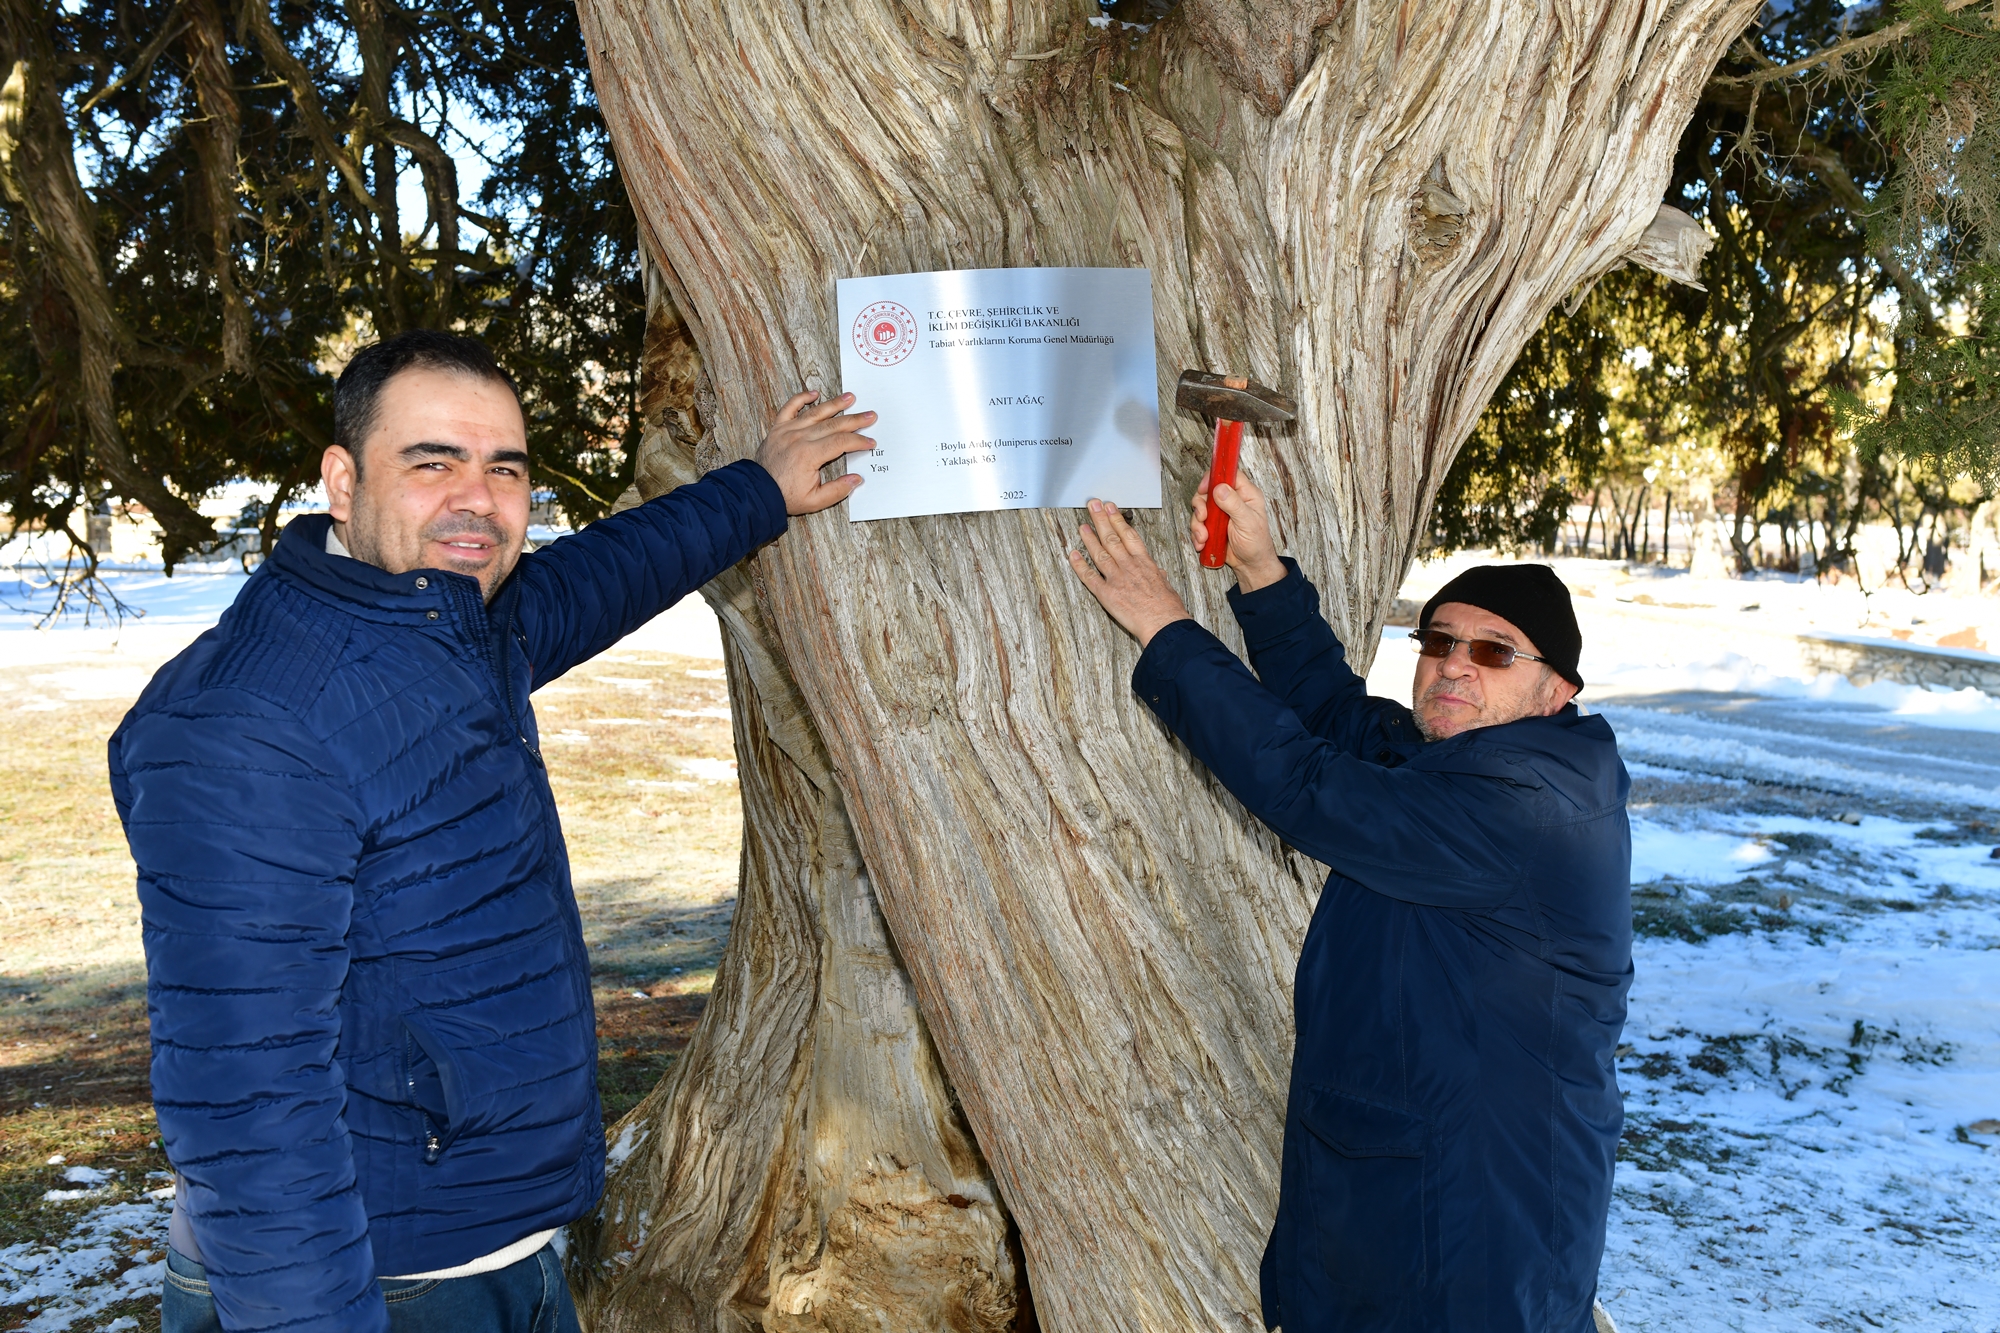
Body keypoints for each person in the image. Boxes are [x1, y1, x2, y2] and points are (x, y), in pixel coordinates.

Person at [109, 330, 875, 1333]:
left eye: (503, 468)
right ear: (341, 480)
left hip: (491, 1252)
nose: (476, 500)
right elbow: (247, 1103)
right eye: (432, 462)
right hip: (372, 1282)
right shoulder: (251, 720)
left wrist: (759, 490)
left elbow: (602, 574)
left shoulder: (445, 624)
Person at [1066, 473, 1631, 1332]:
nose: (1453, 665)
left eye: (1494, 651)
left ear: (1558, 691)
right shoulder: (1465, 759)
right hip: (1417, 1199)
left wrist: (1163, 625)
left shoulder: (1528, 805)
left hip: (1474, 1237)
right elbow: (1334, 716)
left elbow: (1306, 783)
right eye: (1439, 640)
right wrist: (1260, 568)